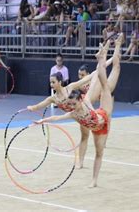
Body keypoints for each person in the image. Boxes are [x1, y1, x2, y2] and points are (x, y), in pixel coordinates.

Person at [36, 38, 122, 188]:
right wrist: (42, 121)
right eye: (70, 104)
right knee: (99, 154)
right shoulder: (74, 113)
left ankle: (112, 49)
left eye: (73, 104)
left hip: (103, 115)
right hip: (99, 129)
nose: (71, 106)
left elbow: (95, 76)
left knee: (105, 82)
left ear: (80, 101)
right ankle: (94, 180)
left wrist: (102, 59)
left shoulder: (86, 101)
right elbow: (57, 117)